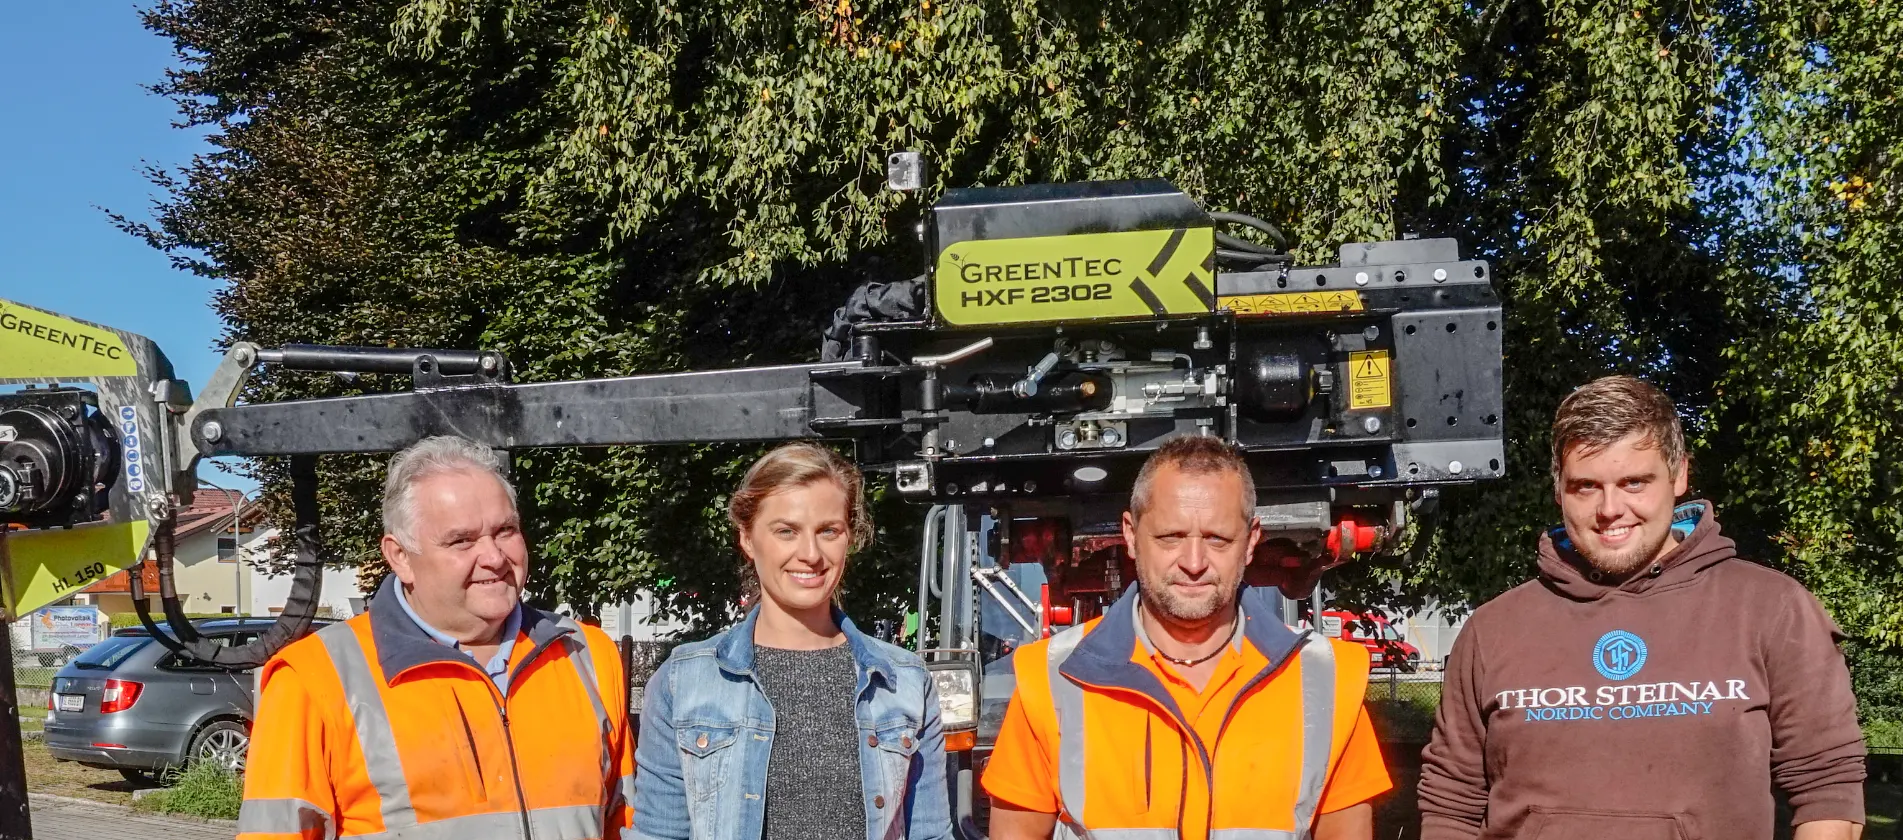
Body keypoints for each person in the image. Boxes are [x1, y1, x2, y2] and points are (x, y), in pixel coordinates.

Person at [1417, 375, 1867, 839]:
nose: (1610, 508)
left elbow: (1827, 790)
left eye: (1634, 482)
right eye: (1586, 486)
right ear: (1558, 490)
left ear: (1679, 476)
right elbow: (1452, 803)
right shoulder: (1496, 628)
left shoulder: (1772, 609)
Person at [984, 434, 1392, 840]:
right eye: (1170, 538)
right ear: (1130, 534)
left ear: (1251, 541)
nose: (1193, 563)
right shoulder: (1055, 678)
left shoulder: (1323, 681)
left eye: (1217, 539)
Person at [239, 436, 634, 840]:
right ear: (400, 557)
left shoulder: (585, 655)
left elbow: (628, 824)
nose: (495, 558)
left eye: (506, 531)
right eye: (461, 540)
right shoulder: (314, 679)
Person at [629, 442, 953, 840]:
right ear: (747, 539)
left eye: (828, 531)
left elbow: (931, 834)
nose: (811, 554)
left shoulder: (904, 682)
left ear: (849, 537)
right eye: (787, 531)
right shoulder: (685, 683)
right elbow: (659, 833)